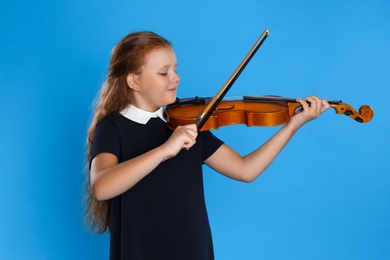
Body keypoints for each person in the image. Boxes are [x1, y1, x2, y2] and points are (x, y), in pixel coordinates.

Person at [85, 31, 329, 259]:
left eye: (175, 69)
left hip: (192, 249)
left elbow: (245, 169)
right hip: (140, 251)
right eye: (164, 72)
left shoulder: (190, 122)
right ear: (134, 81)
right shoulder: (113, 127)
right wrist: (164, 151)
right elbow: (102, 186)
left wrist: (292, 126)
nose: (176, 77)